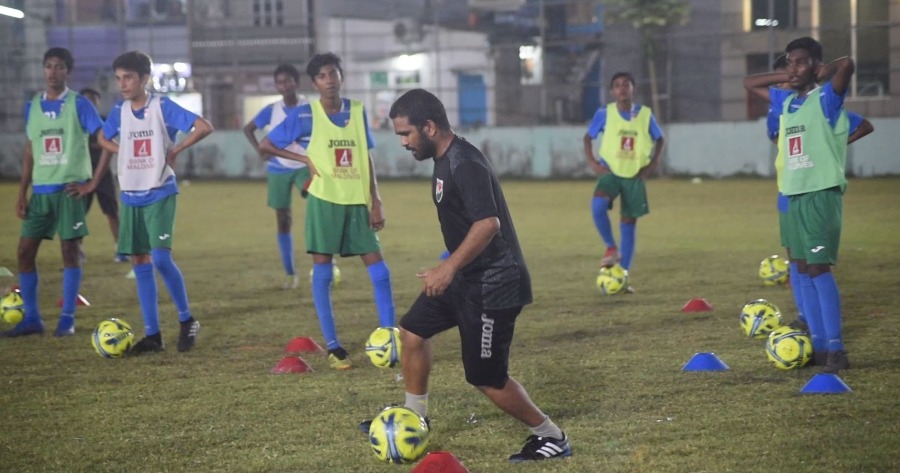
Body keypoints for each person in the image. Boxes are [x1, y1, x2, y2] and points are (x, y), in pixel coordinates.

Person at [383, 88, 571, 463]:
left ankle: (552, 437)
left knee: (486, 378)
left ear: (430, 127)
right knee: (412, 334)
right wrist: (454, 269)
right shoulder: (444, 157)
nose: (403, 142)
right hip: (466, 276)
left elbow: (488, 223)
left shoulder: (463, 163)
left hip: (494, 284)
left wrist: (447, 267)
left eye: (406, 134)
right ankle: (414, 419)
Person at [259, 52, 395, 370]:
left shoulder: (358, 111)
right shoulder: (305, 115)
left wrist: (376, 200)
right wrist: (304, 159)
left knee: (381, 271)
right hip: (323, 202)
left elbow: (366, 157)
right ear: (315, 83)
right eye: (322, 76)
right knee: (322, 271)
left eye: (333, 73)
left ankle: (391, 335)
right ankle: (334, 347)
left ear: (341, 77)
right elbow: (266, 144)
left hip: (357, 202)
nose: (329, 80)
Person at [742, 37, 856, 373]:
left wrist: (821, 72)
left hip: (821, 193)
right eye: (790, 62)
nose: (793, 68)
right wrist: (789, 77)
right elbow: (749, 83)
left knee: (820, 269)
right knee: (802, 268)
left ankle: (836, 348)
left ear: (817, 66)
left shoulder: (826, 99)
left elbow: (847, 64)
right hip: (792, 193)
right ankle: (818, 345)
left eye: (800, 62)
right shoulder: (786, 100)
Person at [97, 50, 214, 355]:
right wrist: (120, 150)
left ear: (144, 78)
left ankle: (187, 320)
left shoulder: (161, 107)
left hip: (160, 191)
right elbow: (101, 138)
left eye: (129, 77)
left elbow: (203, 126)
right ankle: (153, 336)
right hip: (131, 195)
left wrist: (177, 150)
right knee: (139, 262)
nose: (123, 84)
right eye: (119, 78)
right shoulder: (119, 111)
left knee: (160, 258)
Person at [2, 47, 105, 338]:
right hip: (41, 192)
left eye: (59, 67)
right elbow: (29, 151)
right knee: (24, 252)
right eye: (48, 66)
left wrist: (92, 183)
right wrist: (22, 193)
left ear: (67, 72)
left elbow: (105, 139)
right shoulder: (31, 106)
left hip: (70, 190)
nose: (52, 72)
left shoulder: (80, 104)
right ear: (43, 70)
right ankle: (33, 319)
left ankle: (67, 319)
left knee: (69, 252)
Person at [582, 72, 665, 289]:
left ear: (632, 88)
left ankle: (623, 277)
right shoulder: (605, 113)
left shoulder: (645, 115)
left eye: (625, 84)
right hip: (610, 172)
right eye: (617, 85)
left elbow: (660, 139)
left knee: (628, 226)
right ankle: (611, 246)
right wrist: (593, 163)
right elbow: (588, 137)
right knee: (598, 204)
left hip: (634, 176)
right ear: (612, 91)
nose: (621, 89)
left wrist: (652, 164)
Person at [242, 64, 311, 289]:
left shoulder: (309, 108)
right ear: (277, 86)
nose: (285, 85)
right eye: (280, 82)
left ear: (296, 83)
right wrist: (259, 150)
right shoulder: (272, 110)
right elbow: (248, 128)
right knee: (283, 220)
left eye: (288, 80)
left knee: (320, 209)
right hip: (279, 168)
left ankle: (329, 264)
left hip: (304, 165)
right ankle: (290, 273)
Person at [79, 87, 128, 263]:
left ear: (98, 102)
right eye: (86, 99)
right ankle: (77, 250)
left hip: (104, 174)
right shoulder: (76, 123)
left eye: (93, 99)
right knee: (78, 214)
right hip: (81, 174)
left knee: (112, 211)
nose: (89, 102)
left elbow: (109, 145)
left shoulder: (105, 123)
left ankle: (121, 249)